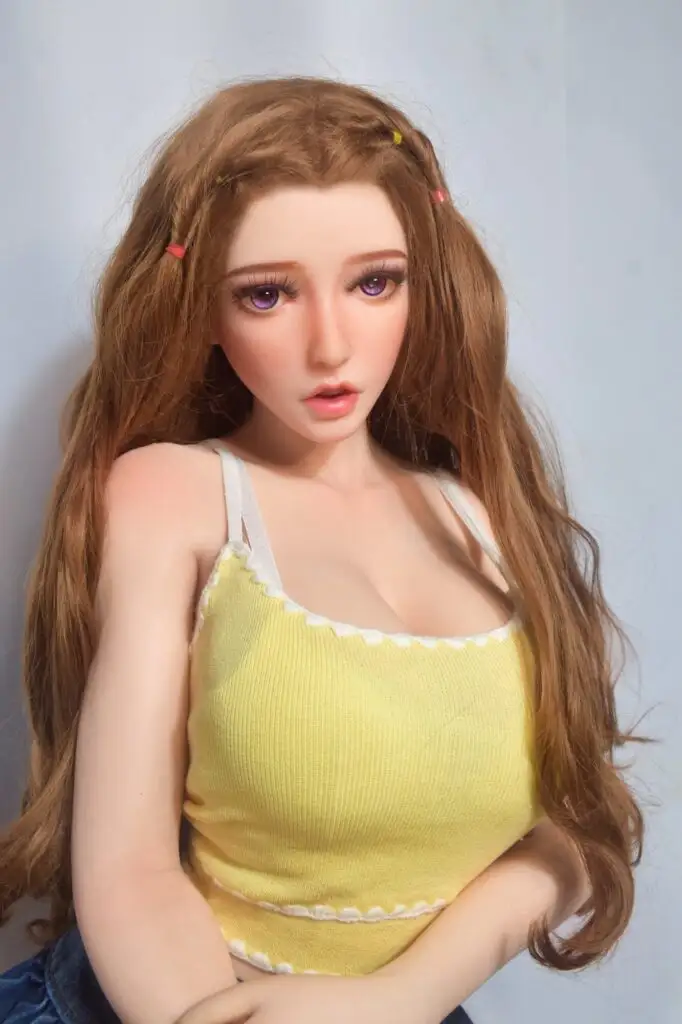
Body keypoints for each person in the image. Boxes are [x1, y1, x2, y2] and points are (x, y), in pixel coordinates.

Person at [0, 76, 643, 1024]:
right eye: (266, 295)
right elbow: (129, 869)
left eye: (374, 282)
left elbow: (577, 829)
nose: (332, 345)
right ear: (200, 308)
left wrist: (404, 996)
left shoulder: (483, 516)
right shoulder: (176, 495)